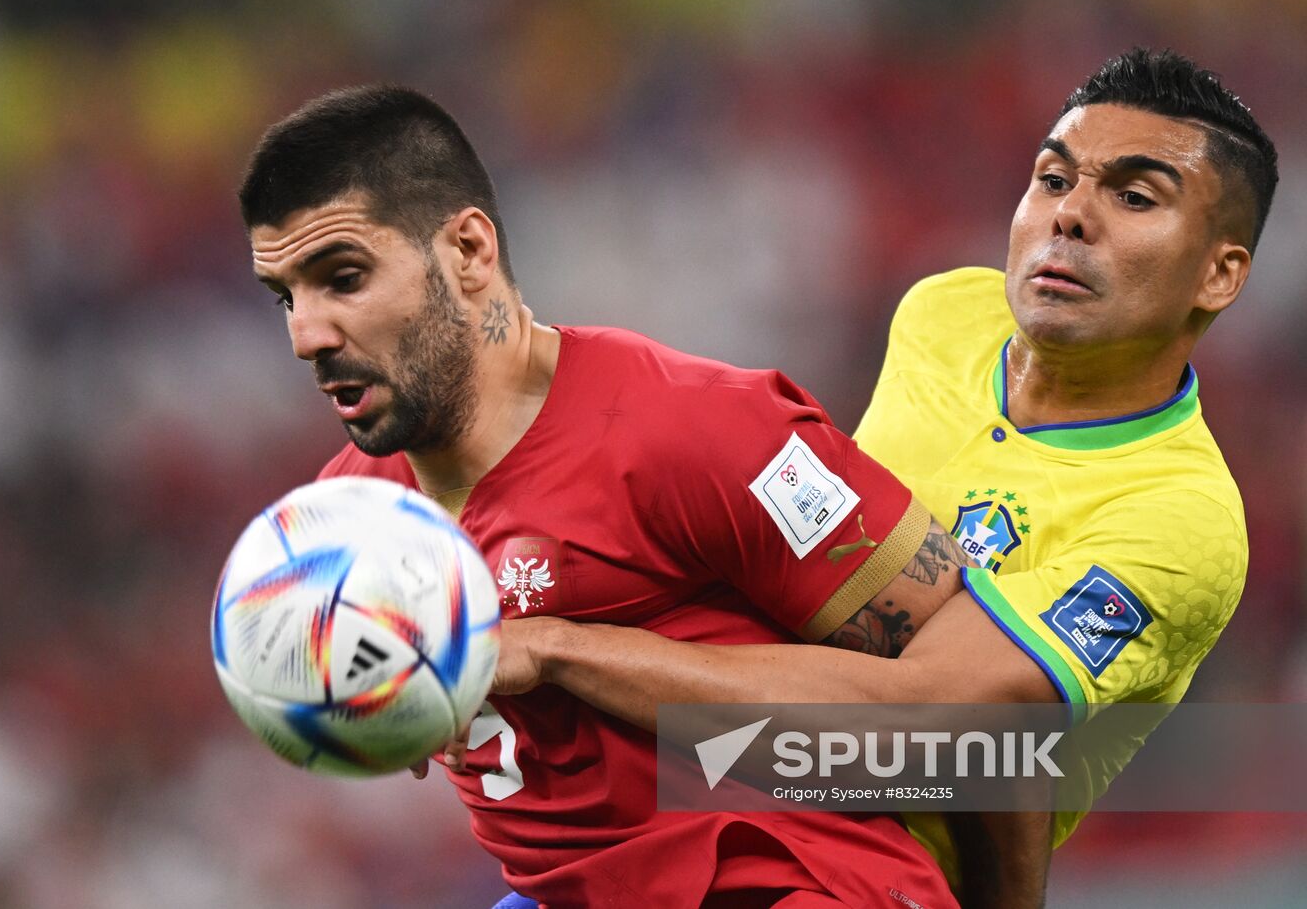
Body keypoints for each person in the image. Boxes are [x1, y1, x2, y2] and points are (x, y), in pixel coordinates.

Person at [483, 48, 1278, 906]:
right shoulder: (944, 314)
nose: (1071, 216)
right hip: (686, 814)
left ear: (1219, 273)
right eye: (1053, 178)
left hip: (843, 870)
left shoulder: (1180, 517)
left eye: (1133, 196)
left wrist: (561, 647)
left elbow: (927, 725)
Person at [238, 87, 971, 907]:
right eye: (285, 297)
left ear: (469, 251)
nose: (307, 336)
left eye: (343, 278)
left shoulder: (695, 429)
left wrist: (560, 651)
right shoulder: (344, 526)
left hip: (787, 881)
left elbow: (966, 732)